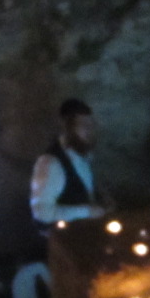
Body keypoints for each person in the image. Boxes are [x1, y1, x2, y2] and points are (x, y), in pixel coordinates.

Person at [31, 98, 111, 231]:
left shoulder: (83, 153)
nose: (89, 130)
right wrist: (87, 211)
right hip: (62, 240)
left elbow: (84, 183)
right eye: (83, 125)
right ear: (67, 127)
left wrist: (102, 196)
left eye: (90, 124)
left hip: (83, 233)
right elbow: (41, 213)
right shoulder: (50, 163)